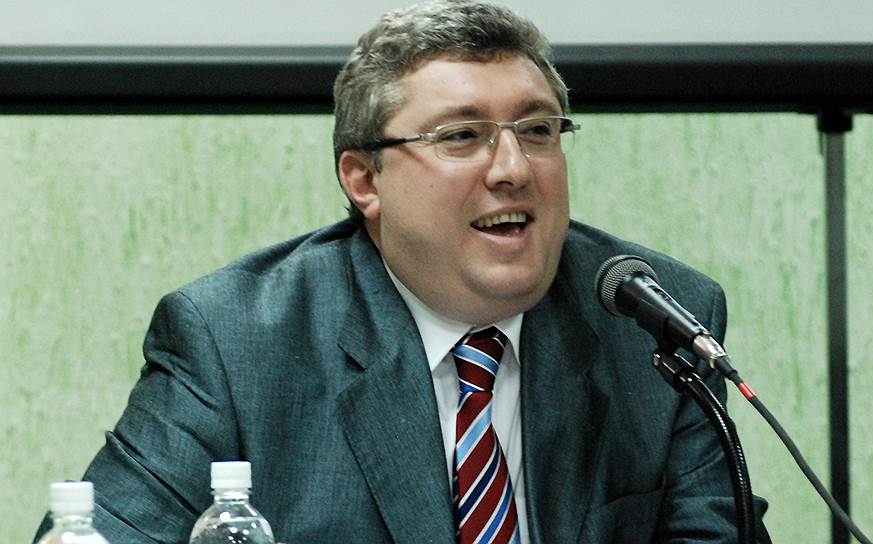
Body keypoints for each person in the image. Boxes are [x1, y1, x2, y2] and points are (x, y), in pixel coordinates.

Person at [36, 1, 771, 542]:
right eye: (462, 136)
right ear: (365, 180)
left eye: (538, 130)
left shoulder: (648, 318)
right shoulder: (236, 340)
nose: (514, 168)